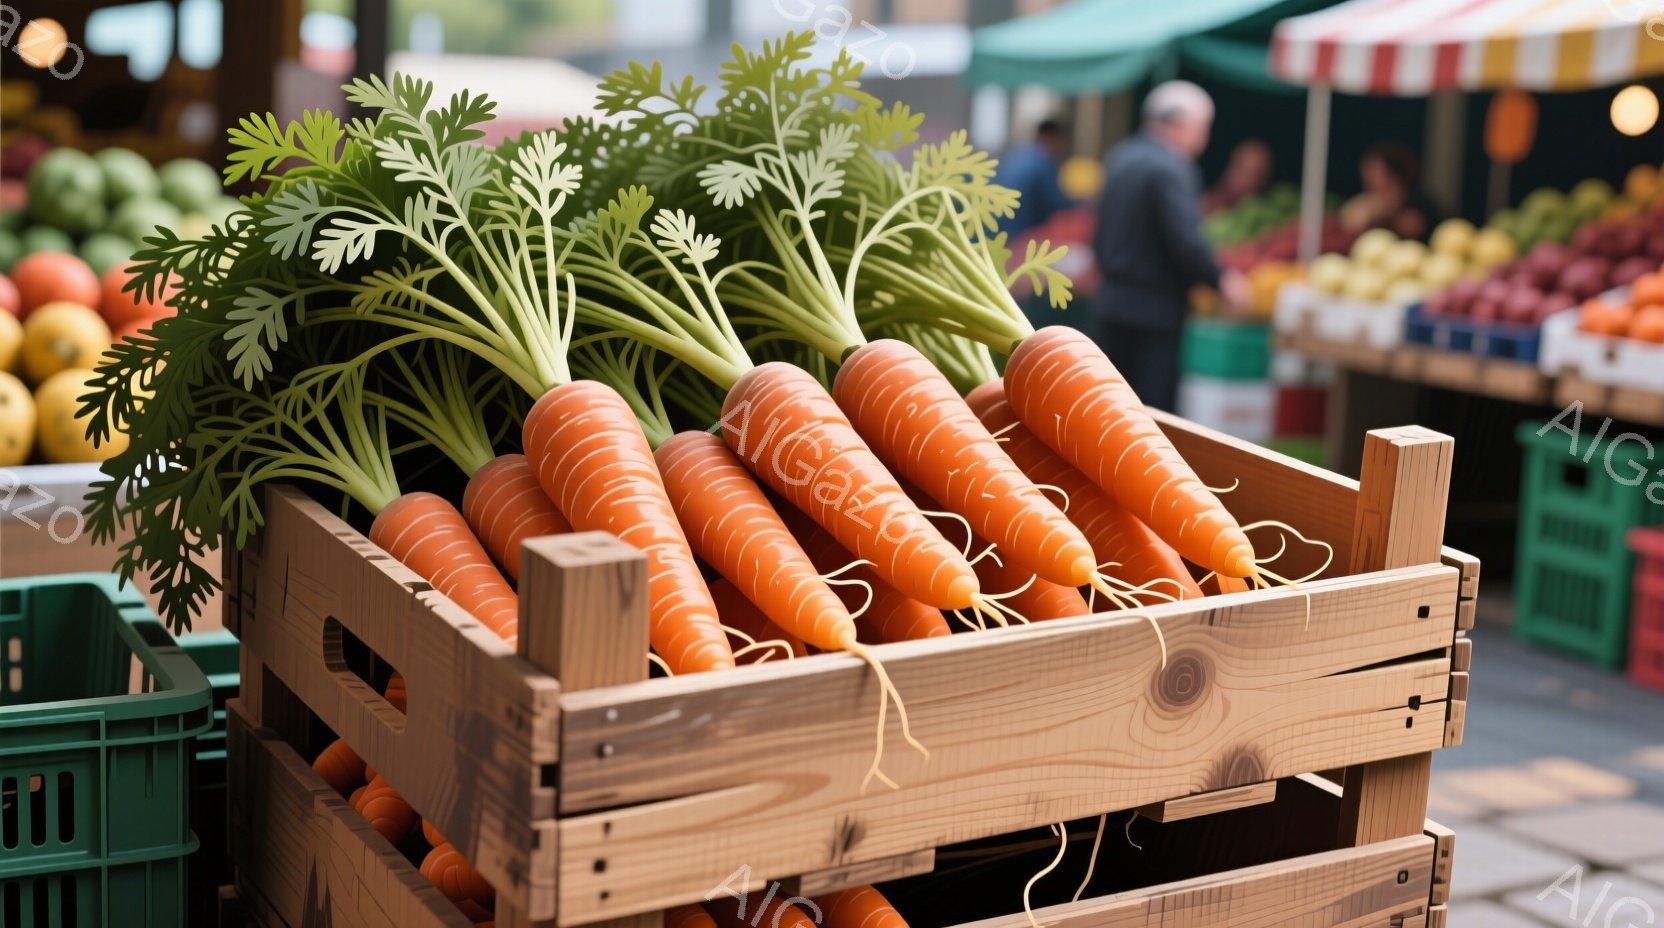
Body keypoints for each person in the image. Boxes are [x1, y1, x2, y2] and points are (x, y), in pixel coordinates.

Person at [1092, 81, 1247, 412]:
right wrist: (1220, 279)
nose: (1203, 140)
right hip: (1155, 312)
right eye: (1202, 128)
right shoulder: (1172, 167)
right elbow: (1184, 240)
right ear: (1179, 124)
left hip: (1111, 303)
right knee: (1150, 415)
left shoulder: (1120, 156)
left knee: (1111, 409)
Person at [1339, 141, 1439, 241]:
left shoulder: (1419, 203)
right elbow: (1351, 221)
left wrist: (1384, 214)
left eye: (1373, 171)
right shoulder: (1369, 200)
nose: (1366, 177)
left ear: (1393, 176)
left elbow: (1413, 227)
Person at [994, 118, 1073, 238]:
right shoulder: (1042, 162)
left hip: (993, 230)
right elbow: (1055, 205)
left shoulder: (1016, 154)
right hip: (1018, 236)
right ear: (1053, 138)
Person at [1202, 139, 1272, 215]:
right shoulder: (1210, 202)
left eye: (1251, 175)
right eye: (1240, 169)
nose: (1243, 180)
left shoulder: (1263, 214)